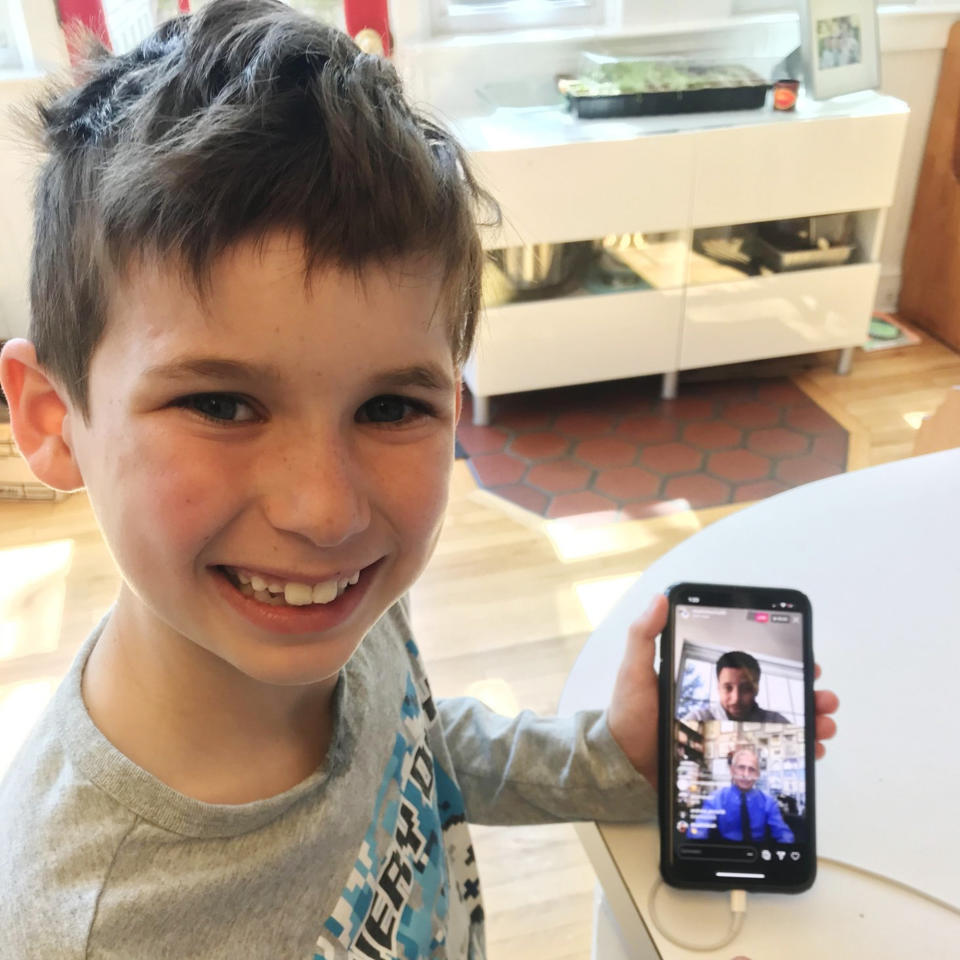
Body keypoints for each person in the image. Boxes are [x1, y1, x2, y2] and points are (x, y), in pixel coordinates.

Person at [0, 2, 838, 957]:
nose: (326, 512)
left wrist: (606, 758)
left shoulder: (335, 606)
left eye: (391, 409)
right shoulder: (88, 928)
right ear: (51, 420)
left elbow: (412, 742)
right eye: (222, 405)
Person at [687, 748, 794, 844]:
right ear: (732, 771)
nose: (746, 774)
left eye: (751, 769)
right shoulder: (716, 798)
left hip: (758, 857)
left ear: (757, 775)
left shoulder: (768, 802)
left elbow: (784, 835)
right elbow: (699, 829)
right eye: (741, 768)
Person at [683, 651, 790, 723]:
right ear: (718, 688)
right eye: (728, 688)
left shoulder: (777, 723)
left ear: (756, 689)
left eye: (746, 688)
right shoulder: (696, 720)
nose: (736, 699)